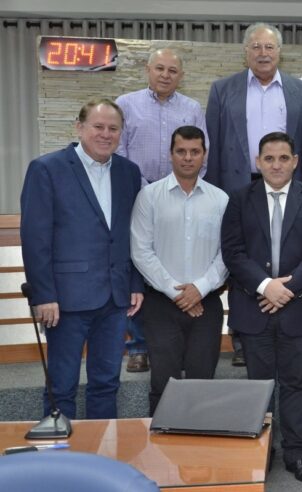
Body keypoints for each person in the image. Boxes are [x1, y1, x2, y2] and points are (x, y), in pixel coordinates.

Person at [20, 98, 144, 419]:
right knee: (61, 385)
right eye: (98, 127)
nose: (106, 134)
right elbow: (35, 240)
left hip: (115, 300)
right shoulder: (47, 169)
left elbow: (131, 234)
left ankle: (100, 459)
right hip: (65, 301)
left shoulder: (129, 173)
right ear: (79, 127)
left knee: (107, 383)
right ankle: (61, 461)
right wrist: (44, 294)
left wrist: (134, 283)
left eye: (113, 128)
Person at [221, 132, 302, 483]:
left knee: (295, 384)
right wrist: (267, 286)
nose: (277, 165)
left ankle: (297, 454)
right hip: (253, 306)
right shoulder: (239, 199)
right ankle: (261, 452)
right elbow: (233, 252)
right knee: (259, 386)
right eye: (269, 158)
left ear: (295, 161)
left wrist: (288, 288)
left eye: (284, 158)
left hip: (297, 308)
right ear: (258, 162)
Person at [205, 22, 302, 366]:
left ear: (280, 52)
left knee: (286, 254)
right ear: (246, 52)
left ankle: (286, 326)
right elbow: (214, 141)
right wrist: (219, 192)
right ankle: (244, 338)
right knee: (244, 257)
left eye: (269, 47)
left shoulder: (301, 91)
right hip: (239, 188)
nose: (263, 53)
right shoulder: (223, 90)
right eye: (256, 47)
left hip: (287, 184)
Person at [116, 47, 208, 373]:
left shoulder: (192, 108)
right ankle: (138, 345)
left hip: (180, 196)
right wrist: (146, 189)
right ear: (148, 69)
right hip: (137, 195)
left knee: (175, 258)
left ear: (181, 75)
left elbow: (200, 154)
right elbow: (121, 153)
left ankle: (176, 336)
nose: (166, 75)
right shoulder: (126, 105)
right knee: (140, 266)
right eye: (160, 68)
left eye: (172, 70)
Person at [130, 126, 228, 415]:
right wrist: (178, 292)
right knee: (164, 383)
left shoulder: (220, 199)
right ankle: (160, 455)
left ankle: (198, 454)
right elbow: (141, 251)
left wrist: (200, 288)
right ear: (170, 154)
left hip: (206, 303)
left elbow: (227, 253)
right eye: (181, 151)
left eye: (194, 152)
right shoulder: (149, 196)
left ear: (204, 155)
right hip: (161, 303)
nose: (188, 158)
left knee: (202, 382)